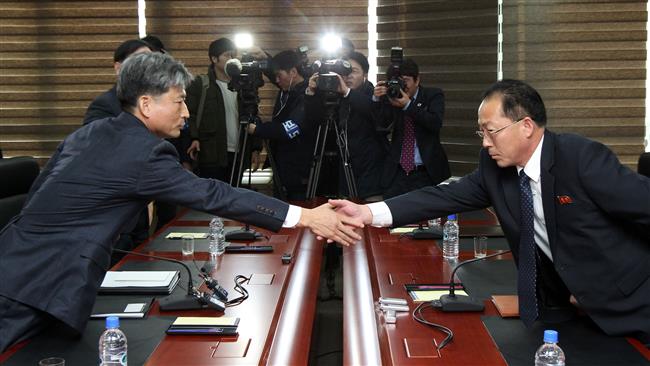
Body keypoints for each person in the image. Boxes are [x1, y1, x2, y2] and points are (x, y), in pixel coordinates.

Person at [0, 52, 361, 353]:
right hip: (41, 284)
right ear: (145, 104)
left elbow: (38, 192)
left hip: (13, 262)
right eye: (179, 101)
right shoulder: (142, 152)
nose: (186, 112)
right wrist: (304, 216)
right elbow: (213, 193)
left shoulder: (91, 132)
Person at [330, 79, 650, 345]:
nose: (485, 143)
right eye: (480, 132)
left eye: (491, 130)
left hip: (634, 304)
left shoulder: (580, 159)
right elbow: (444, 196)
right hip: (565, 311)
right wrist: (369, 213)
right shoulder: (496, 169)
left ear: (526, 126)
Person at [305, 51, 388, 200]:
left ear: (365, 74)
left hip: (371, 175)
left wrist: (347, 92)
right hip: (344, 174)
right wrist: (311, 92)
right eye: (345, 71)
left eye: (354, 71)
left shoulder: (374, 94)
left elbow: (375, 114)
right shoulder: (337, 96)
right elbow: (314, 120)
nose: (348, 76)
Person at [186, 38, 263, 183]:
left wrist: (255, 148)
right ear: (214, 59)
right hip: (212, 154)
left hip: (240, 152)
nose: (232, 59)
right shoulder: (201, 84)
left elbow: (253, 115)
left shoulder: (243, 84)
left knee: (236, 198)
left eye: (234, 56)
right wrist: (194, 138)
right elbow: (190, 114)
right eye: (227, 55)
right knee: (214, 198)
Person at [372, 58, 450, 198]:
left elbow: (435, 123)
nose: (402, 86)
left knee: (427, 216)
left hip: (426, 173)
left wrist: (408, 105)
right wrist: (377, 100)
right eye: (397, 81)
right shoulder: (391, 96)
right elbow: (381, 127)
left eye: (405, 80)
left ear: (417, 80)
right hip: (397, 174)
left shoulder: (433, 95)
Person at [247, 50, 316, 200]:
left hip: (298, 171)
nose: (276, 81)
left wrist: (258, 129)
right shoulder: (288, 88)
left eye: (279, 76)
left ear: (293, 72)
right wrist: (266, 57)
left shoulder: (308, 94)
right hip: (283, 166)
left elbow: (290, 129)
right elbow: (276, 74)